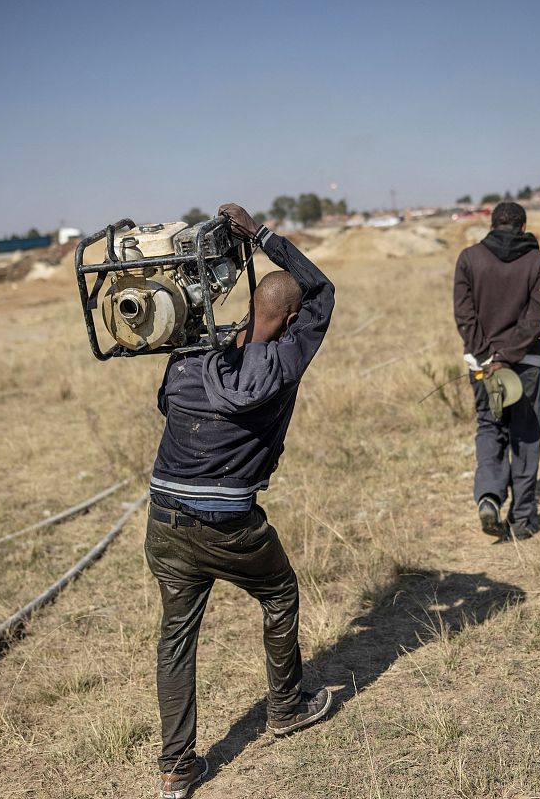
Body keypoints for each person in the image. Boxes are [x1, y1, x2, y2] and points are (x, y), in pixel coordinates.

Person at [145, 202, 335, 799]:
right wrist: (262, 236)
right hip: (229, 521)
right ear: (292, 318)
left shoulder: (194, 354)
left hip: (165, 518)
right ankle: (286, 706)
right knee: (278, 593)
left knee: (177, 636)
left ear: (252, 308)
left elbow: (165, 405)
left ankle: (177, 766)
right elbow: (322, 291)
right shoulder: (283, 362)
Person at [453, 202, 540, 540]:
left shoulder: (469, 259)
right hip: (526, 364)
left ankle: (490, 496)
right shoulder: (537, 261)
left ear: (493, 225)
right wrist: (507, 358)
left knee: (490, 427)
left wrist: (487, 356)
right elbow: (534, 318)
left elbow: (464, 315)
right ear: (523, 227)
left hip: (482, 367)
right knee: (525, 434)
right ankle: (522, 519)